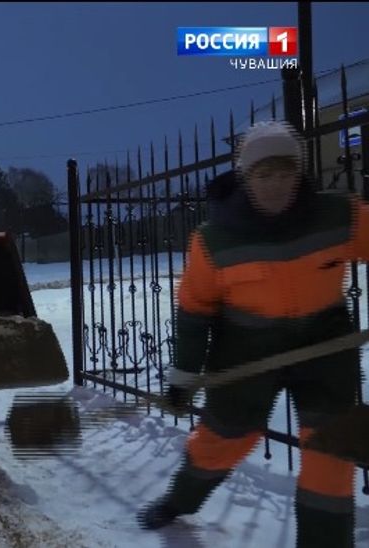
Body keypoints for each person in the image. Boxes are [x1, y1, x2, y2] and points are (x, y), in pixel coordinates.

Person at [137, 121, 369, 547]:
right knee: (222, 438)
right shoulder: (214, 241)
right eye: (264, 175)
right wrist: (184, 375)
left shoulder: (340, 216)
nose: (276, 185)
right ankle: (179, 501)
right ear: (246, 178)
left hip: (326, 349)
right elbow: (194, 312)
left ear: (299, 174)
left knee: (330, 453)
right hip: (245, 354)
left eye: (285, 173)